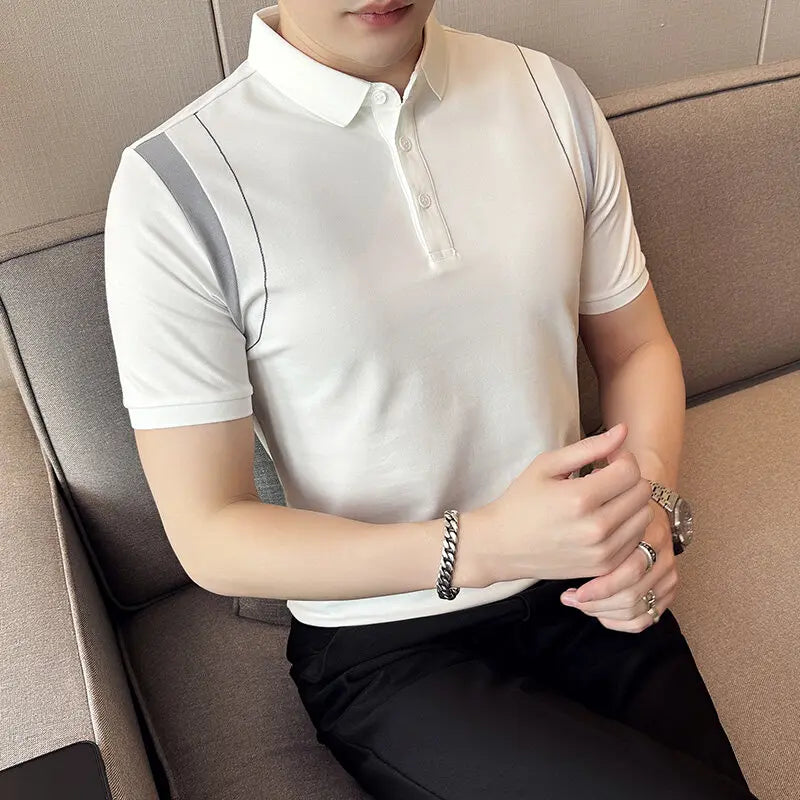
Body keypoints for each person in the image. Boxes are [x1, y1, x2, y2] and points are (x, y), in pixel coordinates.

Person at [103, 1, 758, 798]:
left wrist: (650, 500)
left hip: (585, 575)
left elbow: (636, 347)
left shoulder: (548, 93)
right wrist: (488, 546)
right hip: (388, 640)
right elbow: (209, 534)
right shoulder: (176, 184)